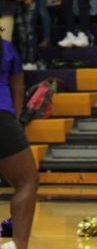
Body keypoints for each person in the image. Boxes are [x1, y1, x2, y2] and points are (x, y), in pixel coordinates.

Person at [0, 38, 39, 249]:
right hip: (2, 117)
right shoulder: (6, 48)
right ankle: (19, 245)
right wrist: (14, 124)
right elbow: (17, 89)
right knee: (26, 182)